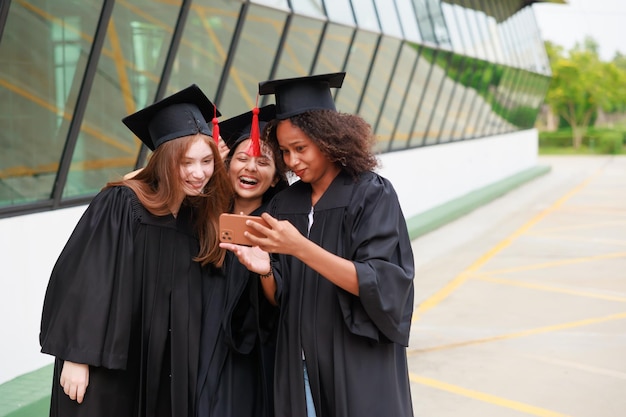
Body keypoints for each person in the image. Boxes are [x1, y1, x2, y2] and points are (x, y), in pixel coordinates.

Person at [220, 72, 415, 417]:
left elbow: (381, 282)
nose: (293, 161)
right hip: (297, 368)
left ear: (328, 139)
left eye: (300, 149)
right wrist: (266, 272)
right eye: (284, 151)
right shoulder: (286, 204)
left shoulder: (370, 194)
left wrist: (298, 247)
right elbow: (277, 299)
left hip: (354, 363)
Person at [39, 84, 233, 417]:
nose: (198, 173)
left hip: (169, 366)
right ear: (165, 160)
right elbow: (87, 278)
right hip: (112, 361)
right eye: (185, 162)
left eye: (206, 161)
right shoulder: (123, 203)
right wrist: (76, 357)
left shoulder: (198, 216)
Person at [195, 104, 287, 417]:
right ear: (228, 164)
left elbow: (280, 301)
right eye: (242, 158)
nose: (250, 168)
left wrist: (265, 270)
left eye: (263, 162)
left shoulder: (283, 230)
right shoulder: (200, 218)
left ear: (275, 178)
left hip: (253, 361)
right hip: (199, 352)